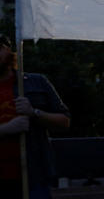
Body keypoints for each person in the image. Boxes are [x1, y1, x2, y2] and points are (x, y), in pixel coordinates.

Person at [0, 35, 71, 199]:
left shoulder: (36, 82)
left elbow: (65, 122)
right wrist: (5, 129)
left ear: (9, 50)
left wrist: (35, 113)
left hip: (33, 178)